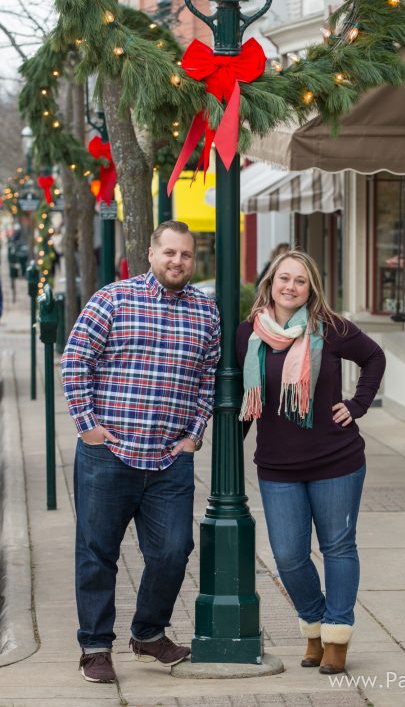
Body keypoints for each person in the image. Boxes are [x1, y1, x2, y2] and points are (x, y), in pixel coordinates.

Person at [62, 220, 220, 684]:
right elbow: (75, 361)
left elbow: (207, 378)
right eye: (169, 253)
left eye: (186, 255)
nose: (177, 261)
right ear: (150, 254)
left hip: (170, 459)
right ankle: (95, 646)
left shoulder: (205, 313)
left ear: (194, 260)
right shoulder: (112, 299)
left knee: (175, 549)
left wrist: (194, 434)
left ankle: (148, 633)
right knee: (97, 553)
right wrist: (88, 427)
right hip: (108, 454)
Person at [236, 249, 385, 675]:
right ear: (270, 282)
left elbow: (374, 357)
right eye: (284, 278)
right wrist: (227, 445)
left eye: (300, 281)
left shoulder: (331, 328)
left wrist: (356, 404)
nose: (290, 287)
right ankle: (315, 624)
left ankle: (336, 635)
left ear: (311, 287)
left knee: (338, 547)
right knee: (288, 555)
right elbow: (247, 401)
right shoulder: (251, 332)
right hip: (278, 465)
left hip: (336, 460)